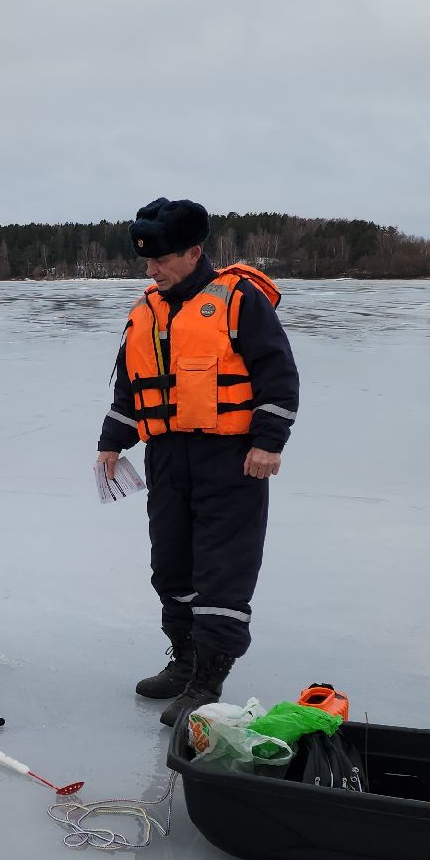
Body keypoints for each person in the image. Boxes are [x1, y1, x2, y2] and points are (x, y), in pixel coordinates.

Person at [96, 198, 299, 727]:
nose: (152, 269)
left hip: (231, 460)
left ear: (194, 251)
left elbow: (278, 376)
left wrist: (268, 441)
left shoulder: (238, 301)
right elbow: (130, 384)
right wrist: (112, 441)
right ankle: (183, 660)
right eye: (147, 261)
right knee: (171, 565)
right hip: (167, 457)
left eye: (161, 259)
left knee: (222, 571)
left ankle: (208, 679)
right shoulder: (147, 308)